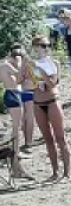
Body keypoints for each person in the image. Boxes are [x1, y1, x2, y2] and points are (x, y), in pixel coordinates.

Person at [22, 36, 69, 181]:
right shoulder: (31, 64)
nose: (45, 48)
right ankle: (55, 172)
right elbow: (28, 85)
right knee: (48, 138)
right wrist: (27, 72)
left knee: (60, 137)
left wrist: (40, 71)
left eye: (47, 45)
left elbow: (53, 84)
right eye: (41, 45)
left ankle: (67, 173)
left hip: (52, 101)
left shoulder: (53, 62)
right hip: (37, 102)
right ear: (35, 47)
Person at [0, 45, 31, 179]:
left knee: (17, 126)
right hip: (13, 94)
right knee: (16, 127)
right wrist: (20, 62)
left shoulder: (4, 66)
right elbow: (19, 75)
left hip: (12, 94)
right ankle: (15, 152)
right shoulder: (6, 66)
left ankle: (16, 152)